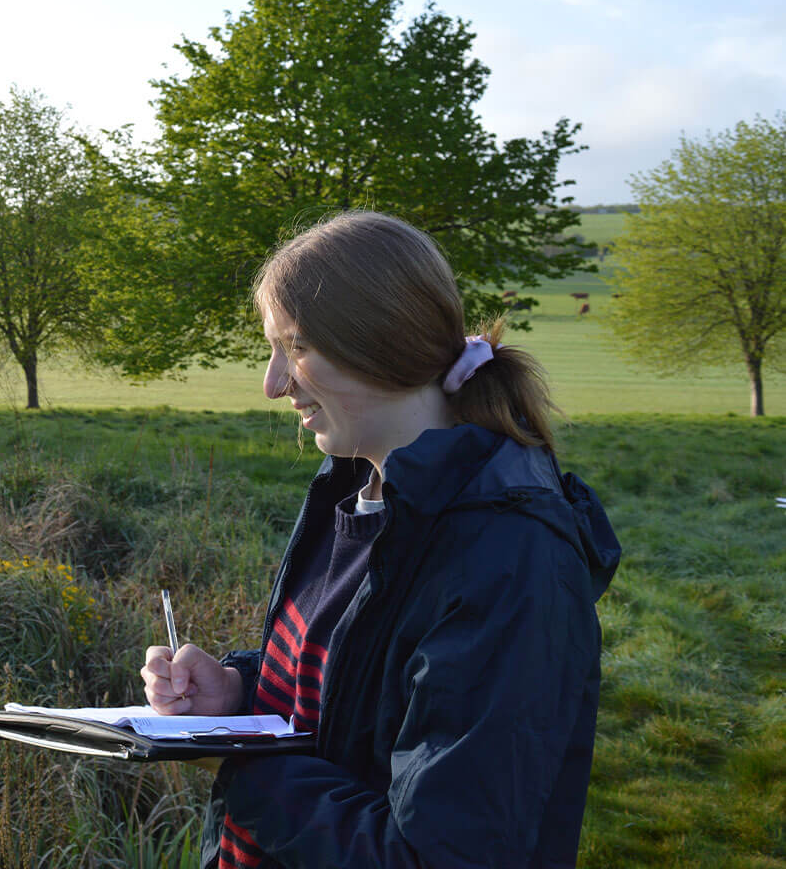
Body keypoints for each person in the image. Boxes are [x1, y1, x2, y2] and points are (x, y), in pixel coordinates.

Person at [140, 211, 621, 868]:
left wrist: (241, 766)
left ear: (381, 344)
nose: (274, 383)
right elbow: (347, 701)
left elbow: (436, 856)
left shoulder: (509, 563)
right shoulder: (356, 492)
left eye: (297, 347)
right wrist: (235, 696)